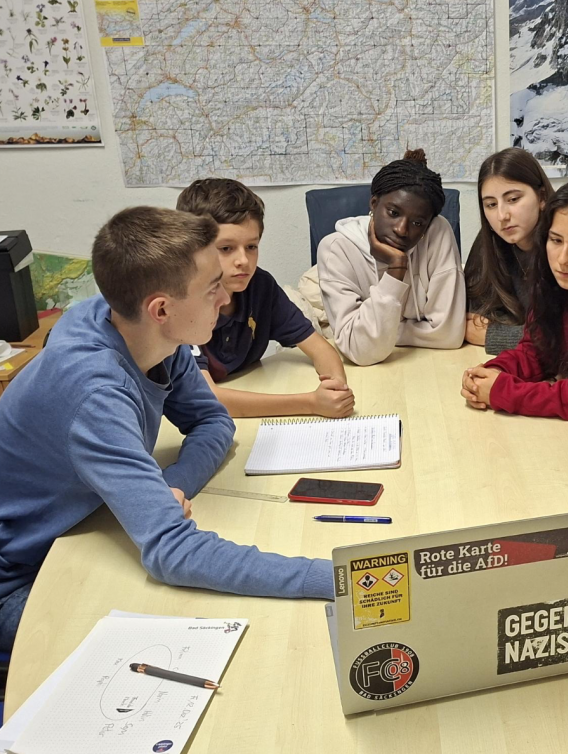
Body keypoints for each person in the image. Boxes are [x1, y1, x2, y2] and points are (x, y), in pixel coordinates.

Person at [0, 207, 335, 652]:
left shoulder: (143, 329)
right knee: (211, 637)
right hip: (22, 577)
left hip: (87, 529)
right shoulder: (95, 391)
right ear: (161, 308)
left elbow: (212, 420)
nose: (225, 298)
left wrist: (171, 486)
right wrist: (336, 576)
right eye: (212, 288)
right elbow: (172, 552)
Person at [176, 178, 354, 418]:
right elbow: (209, 398)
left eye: (251, 246)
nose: (243, 260)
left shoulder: (260, 286)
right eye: (226, 248)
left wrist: (336, 390)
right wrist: (311, 404)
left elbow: (320, 349)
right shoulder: (177, 305)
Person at [461, 178, 568, 420]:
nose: (563, 259)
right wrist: (491, 373)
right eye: (556, 240)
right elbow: (534, 353)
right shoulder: (552, 281)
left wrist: (504, 391)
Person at [300, 149, 466, 366]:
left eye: (417, 223)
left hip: (429, 364)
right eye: (393, 213)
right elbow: (360, 351)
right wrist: (397, 268)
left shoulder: (437, 232)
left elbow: (449, 334)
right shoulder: (335, 249)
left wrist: (377, 332)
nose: (401, 229)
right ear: (374, 203)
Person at [464, 147, 553, 354]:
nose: (502, 216)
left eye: (513, 199)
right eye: (491, 204)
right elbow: (472, 315)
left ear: (541, 197)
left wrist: (495, 335)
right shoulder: (490, 240)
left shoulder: (564, 245)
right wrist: (524, 330)